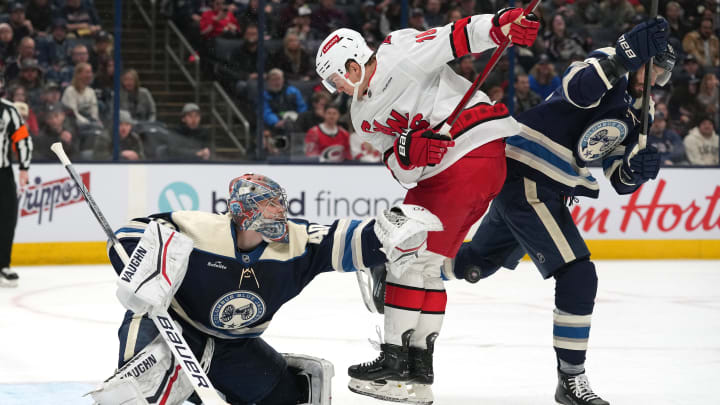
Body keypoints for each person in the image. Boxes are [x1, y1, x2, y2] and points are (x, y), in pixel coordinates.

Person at [315, 7, 539, 403]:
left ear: (351, 65)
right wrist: (408, 149)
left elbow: (456, 37)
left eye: (335, 77)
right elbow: (398, 168)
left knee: (403, 253)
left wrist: (502, 24)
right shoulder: (361, 114)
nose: (335, 87)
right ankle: (419, 365)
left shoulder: (397, 52)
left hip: (467, 156)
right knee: (427, 265)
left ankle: (395, 361)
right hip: (466, 170)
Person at [447, 18, 673, 405]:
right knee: (578, 275)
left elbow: (617, 177)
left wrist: (637, 172)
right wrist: (622, 56)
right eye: (653, 68)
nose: (653, 79)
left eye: (664, 75)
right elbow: (577, 91)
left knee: (476, 264)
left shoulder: (642, 111)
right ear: (640, 58)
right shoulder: (609, 65)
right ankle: (570, 379)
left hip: (534, 184)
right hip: (527, 177)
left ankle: (400, 264)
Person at [90, 173, 440, 405]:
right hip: (171, 329)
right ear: (243, 209)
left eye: (281, 203)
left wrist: (384, 236)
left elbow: (343, 240)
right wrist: (144, 271)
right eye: (271, 203)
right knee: (132, 395)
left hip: (234, 347)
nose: (281, 211)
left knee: (289, 397)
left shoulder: (297, 243)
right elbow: (128, 236)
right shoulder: (199, 230)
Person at [0, 82, 32, 287]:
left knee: (7, 217)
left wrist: (24, 167)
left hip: (2, 172)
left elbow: (22, 139)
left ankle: (3, 264)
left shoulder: (9, 110)